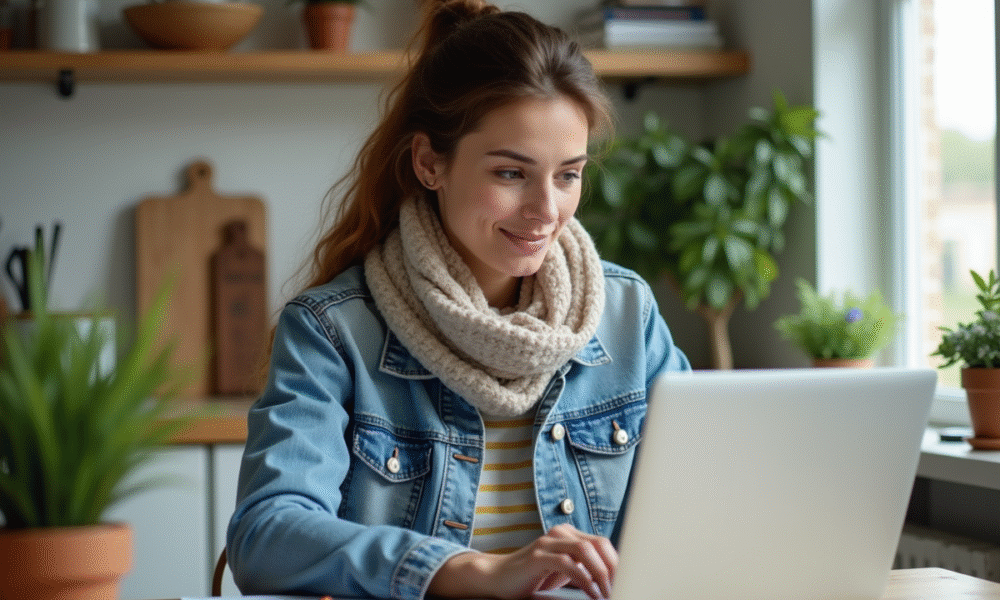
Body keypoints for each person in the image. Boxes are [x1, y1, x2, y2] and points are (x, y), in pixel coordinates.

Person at [226, 2, 691, 599]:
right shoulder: (332, 331)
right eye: (511, 174)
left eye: (568, 175)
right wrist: (470, 571)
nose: (546, 210)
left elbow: (703, 500)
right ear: (429, 163)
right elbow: (266, 534)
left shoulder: (629, 316)